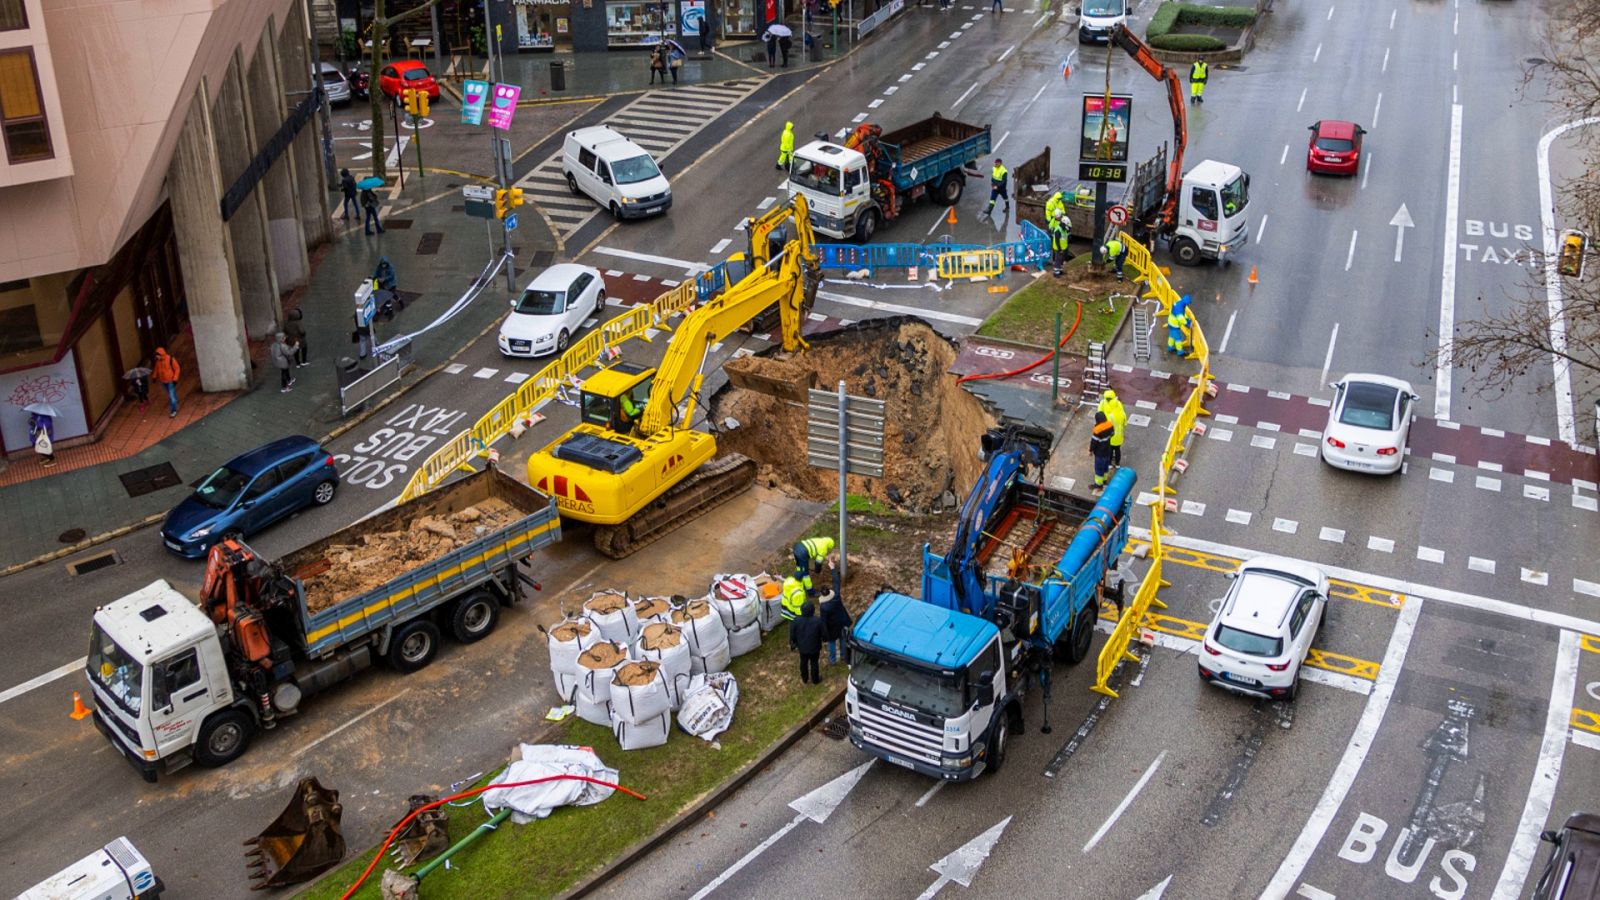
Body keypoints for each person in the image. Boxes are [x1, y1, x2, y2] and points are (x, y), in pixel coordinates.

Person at [790, 601, 824, 684]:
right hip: (814, 647)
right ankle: (815, 680)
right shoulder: (818, 621)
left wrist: (793, 643)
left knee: (803, 663)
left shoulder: (796, 621)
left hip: (802, 647)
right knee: (814, 663)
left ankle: (805, 678)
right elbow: (824, 633)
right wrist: (824, 638)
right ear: (812, 610)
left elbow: (792, 634)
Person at [1098, 388, 1127, 467]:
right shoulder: (1118, 404)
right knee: (1117, 449)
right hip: (1118, 435)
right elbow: (1124, 417)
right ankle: (1117, 464)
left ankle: (1109, 463)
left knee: (1109, 450)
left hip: (1108, 434)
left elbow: (1099, 415)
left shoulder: (1103, 404)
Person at [153, 346, 181, 418]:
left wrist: (175, 379)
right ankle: (175, 400)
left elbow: (177, 368)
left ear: (160, 355)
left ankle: (174, 410)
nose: (157, 357)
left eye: (157, 356)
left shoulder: (170, 359)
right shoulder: (158, 361)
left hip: (170, 380)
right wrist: (154, 376)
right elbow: (156, 369)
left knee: (171, 396)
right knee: (171, 392)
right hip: (163, 381)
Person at [1090, 411, 1114, 490]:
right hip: (1108, 450)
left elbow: (1094, 442)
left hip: (1100, 453)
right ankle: (1104, 480)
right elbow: (1112, 434)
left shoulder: (1097, 430)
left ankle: (1098, 484)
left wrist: (1091, 450)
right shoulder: (1110, 424)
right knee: (1105, 466)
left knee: (1099, 468)